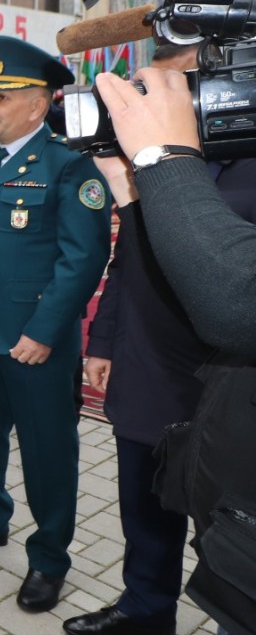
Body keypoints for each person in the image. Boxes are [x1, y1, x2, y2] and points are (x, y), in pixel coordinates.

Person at [61, 46, 256, 635]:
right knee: (145, 510)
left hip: (227, 383)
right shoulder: (142, 158)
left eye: (184, 81)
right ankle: (144, 608)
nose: (162, 98)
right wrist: (104, 341)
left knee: (231, 526)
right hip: (152, 367)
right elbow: (130, 261)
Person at [0, 35, 111, 613]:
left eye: (3, 96)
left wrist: (44, 332)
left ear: (38, 103)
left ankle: (49, 558)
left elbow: (82, 259)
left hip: (34, 341)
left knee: (46, 452)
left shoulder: (68, 167)